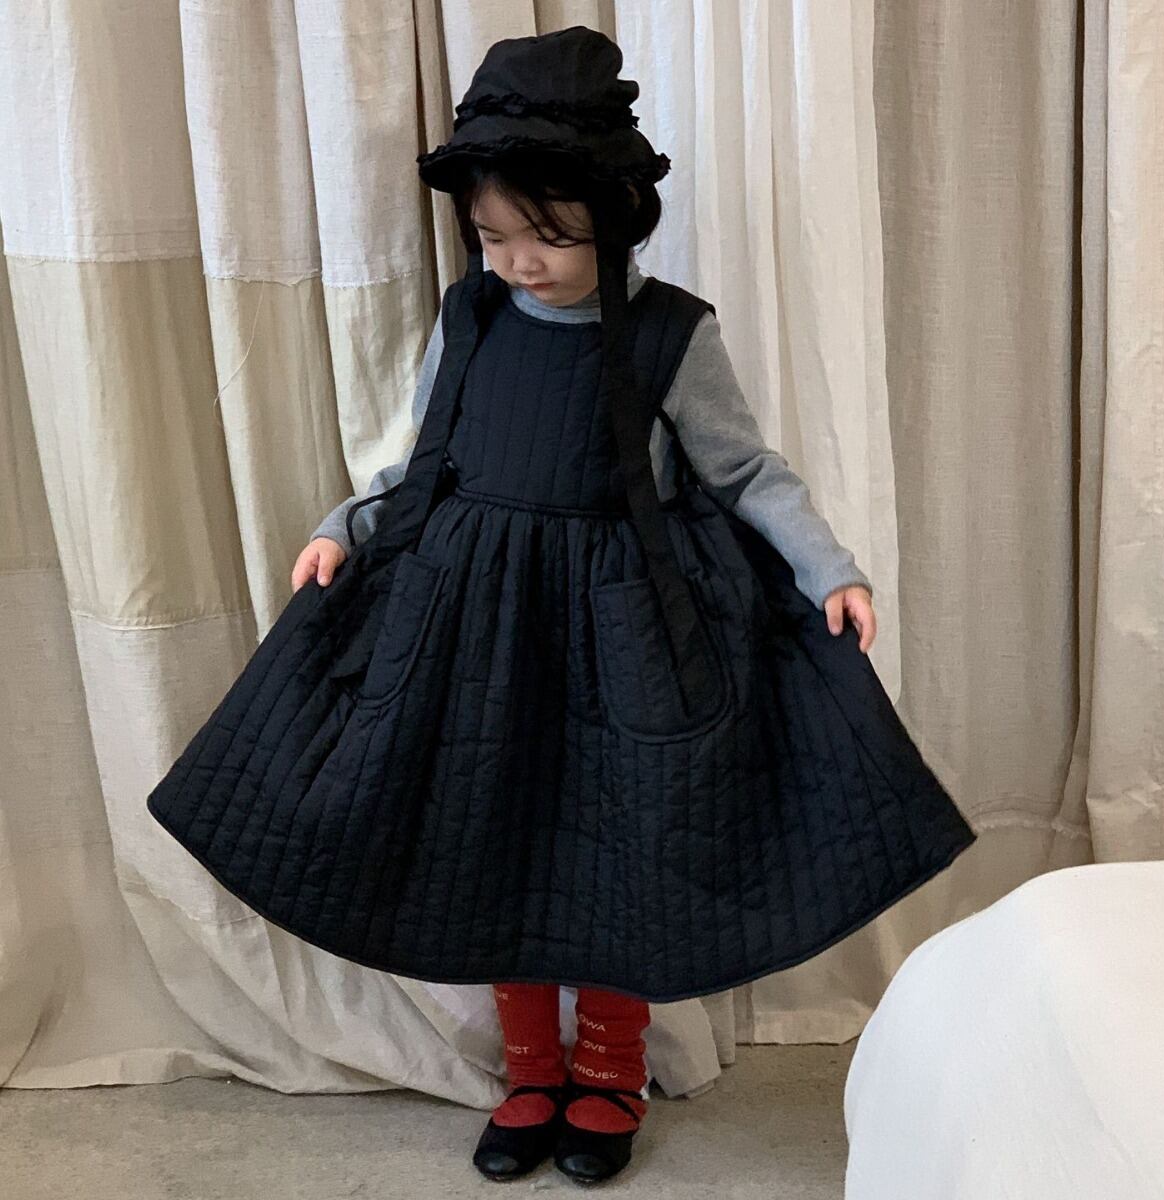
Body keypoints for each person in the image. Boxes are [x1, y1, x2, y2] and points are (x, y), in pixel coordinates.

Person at [147, 24, 976, 1188]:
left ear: (614, 217)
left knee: (625, 852)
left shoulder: (670, 332)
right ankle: (530, 1072)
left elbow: (745, 469)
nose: (519, 263)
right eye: (494, 238)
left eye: (548, 238)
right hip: (477, 630)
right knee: (497, 840)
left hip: (625, 633)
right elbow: (421, 459)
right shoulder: (472, 319)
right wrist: (344, 528)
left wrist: (828, 568)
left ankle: (611, 1072)